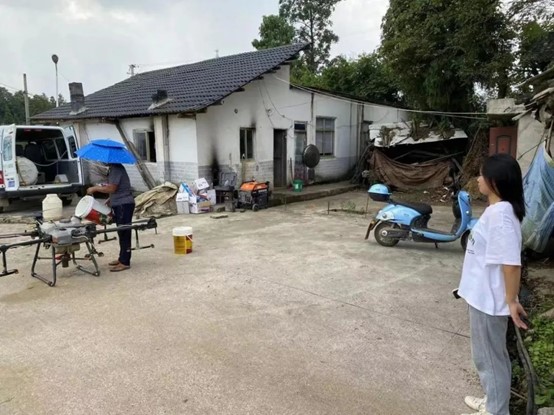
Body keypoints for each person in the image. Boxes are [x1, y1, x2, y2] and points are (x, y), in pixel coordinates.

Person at [458, 153, 528, 415]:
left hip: (489, 301)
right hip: (482, 296)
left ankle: (496, 411)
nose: (478, 179)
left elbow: (511, 264)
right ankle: (493, 403)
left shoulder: (501, 216)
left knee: (489, 360)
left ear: (495, 182)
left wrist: (511, 300)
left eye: (482, 175)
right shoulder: (498, 210)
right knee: (491, 358)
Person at [86, 163, 135, 272]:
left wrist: (95, 188)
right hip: (119, 203)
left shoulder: (116, 169)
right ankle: (122, 258)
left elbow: (112, 188)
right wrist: (110, 200)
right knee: (121, 232)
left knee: (124, 232)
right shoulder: (113, 169)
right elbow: (117, 188)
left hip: (123, 204)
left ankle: (125, 262)